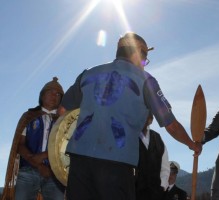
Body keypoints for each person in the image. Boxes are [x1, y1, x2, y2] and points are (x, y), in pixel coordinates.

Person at [59, 32, 202, 200]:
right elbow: (170, 124)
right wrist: (191, 144)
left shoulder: (88, 73)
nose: (144, 64)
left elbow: (62, 111)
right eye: (144, 59)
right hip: (116, 164)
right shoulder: (146, 80)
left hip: (79, 161)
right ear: (137, 53)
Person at [5, 77, 65, 200]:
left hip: (54, 174)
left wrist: (44, 155)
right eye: (50, 92)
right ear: (42, 96)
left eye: (58, 94)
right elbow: (20, 144)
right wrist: (36, 163)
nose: (54, 96)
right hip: (28, 170)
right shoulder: (28, 116)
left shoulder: (64, 121)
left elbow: (65, 146)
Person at [135, 113, 170, 200]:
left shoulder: (157, 138)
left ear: (151, 119)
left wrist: (162, 186)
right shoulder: (129, 136)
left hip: (156, 194)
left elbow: (165, 167)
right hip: (133, 193)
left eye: (148, 114)